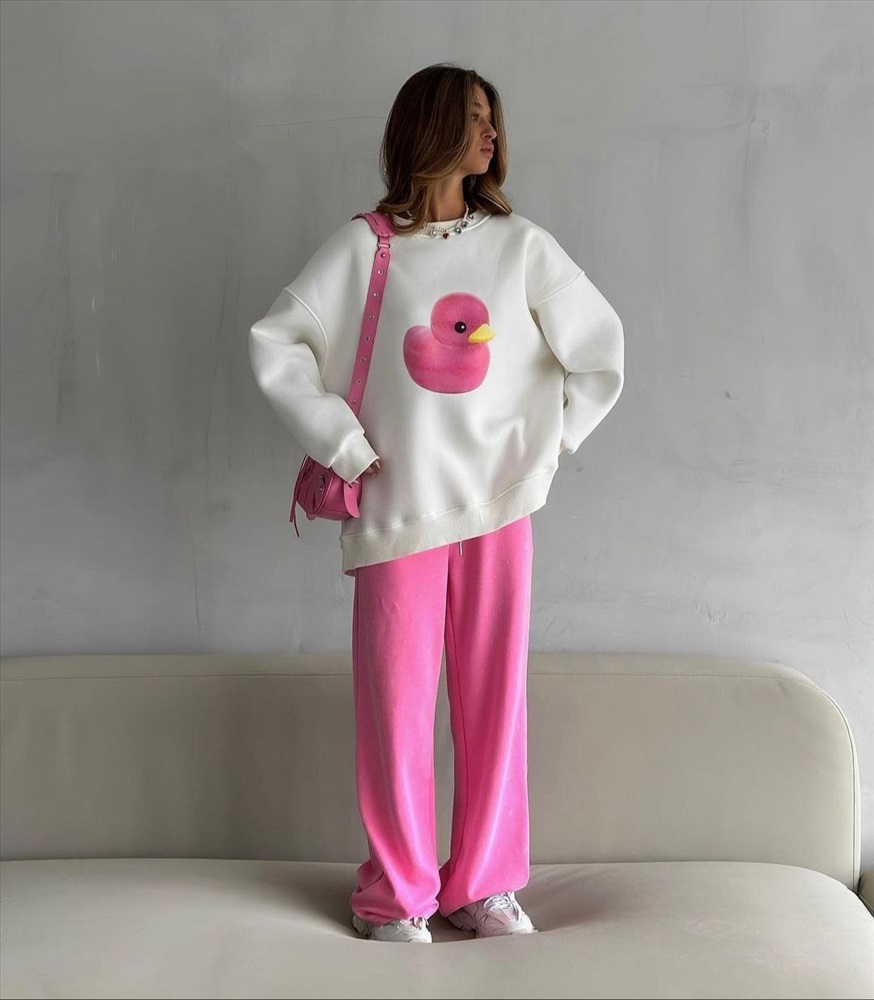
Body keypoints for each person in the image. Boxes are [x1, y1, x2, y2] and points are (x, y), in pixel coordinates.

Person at [248, 64, 625, 944]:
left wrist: (549, 447)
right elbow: (277, 343)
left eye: (494, 120)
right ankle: (396, 893)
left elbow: (601, 351)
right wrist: (344, 445)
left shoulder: (521, 246)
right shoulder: (364, 247)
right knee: (396, 709)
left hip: (499, 510)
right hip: (398, 512)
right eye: (473, 118)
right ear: (428, 128)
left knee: (495, 703)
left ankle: (483, 884)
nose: (491, 135)